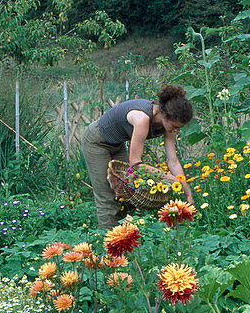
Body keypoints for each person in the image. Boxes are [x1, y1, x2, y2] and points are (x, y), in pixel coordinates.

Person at [81, 84, 195, 228]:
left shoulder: (169, 124)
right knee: (107, 197)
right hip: (96, 141)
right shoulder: (142, 118)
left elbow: (173, 161)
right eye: (175, 126)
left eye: (180, 127)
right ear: (164, 115)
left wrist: (188, 193)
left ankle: (128, 236)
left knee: (127, 190)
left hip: (117, 143)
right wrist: (170, 179)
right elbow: (136, 164)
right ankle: (109, 242)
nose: (176, 130)